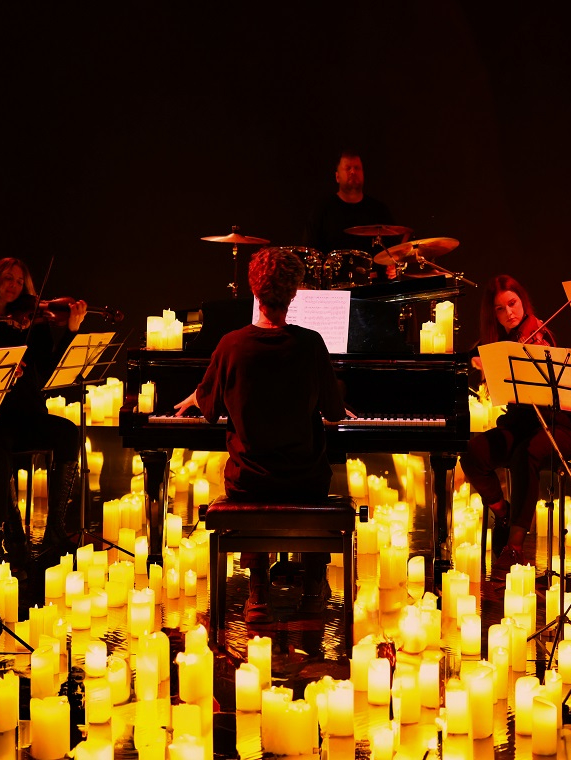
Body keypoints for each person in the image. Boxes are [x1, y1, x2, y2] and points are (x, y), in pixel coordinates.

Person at [174, 248, 346, 623]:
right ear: (294, 293)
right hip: (303, 480)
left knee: (246, 472)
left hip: (249, 481)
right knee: (319, 475)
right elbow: (334, 413)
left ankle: (258, 594)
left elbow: (210, 408)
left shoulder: (231, 345)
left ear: (254, 291)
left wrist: (199, 395)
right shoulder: (311, 343)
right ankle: (313, 589)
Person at [0, 257, 85, 566]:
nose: (14, 285)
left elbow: (47, 372)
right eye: (8, 278)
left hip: (29, 413)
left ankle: (55, 527)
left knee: (67, 432)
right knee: (0, 448)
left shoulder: (34, 322)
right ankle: (12, 531)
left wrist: (71, 331)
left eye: (20, 281)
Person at [459, 275, 571, 580]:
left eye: (512, 303)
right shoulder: (500, 344)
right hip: (520, 424)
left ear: (522, 301)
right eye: (500, 309)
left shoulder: (541, 335)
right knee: (473, 454)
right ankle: (504, 512)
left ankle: (514, 546)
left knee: (526, 454)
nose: (509, 313)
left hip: (553, 424)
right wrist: (480, 361)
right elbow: (474, 356)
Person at [303, 151, 407, 278]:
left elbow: (395, 251)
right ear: (337, 177)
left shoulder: (379, 210)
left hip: (376, 285)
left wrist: (393, 265)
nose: (353, 172)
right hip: (335, 286)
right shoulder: (321, 211)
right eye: (348, 168)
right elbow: (311, 254)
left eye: (357, 168)